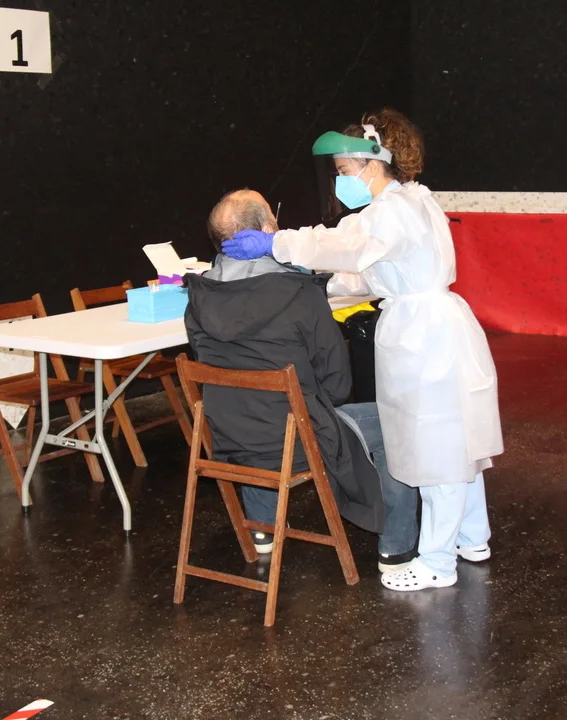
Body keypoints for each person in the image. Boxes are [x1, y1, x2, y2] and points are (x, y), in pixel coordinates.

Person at [222, 109, 504, 591]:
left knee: (436, 450)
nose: (340, 181)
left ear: (373, 162)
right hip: (436, 328)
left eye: (344, 170)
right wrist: (323, 285)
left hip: (426, 340)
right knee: (457, 443)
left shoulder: (389, 212)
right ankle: (472, 537)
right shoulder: (414, 200)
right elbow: (374, 272)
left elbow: (344, 245)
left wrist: (276, 243)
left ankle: (437, 562)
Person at [185, 189, 419, 571]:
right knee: (396, 422)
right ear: (265, 231)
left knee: (254, 407)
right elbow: (338, 384)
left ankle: (263, 529)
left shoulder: (197, 297)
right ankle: (399, 546)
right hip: (296, 442)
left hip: (228, 437)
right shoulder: (298, 294)